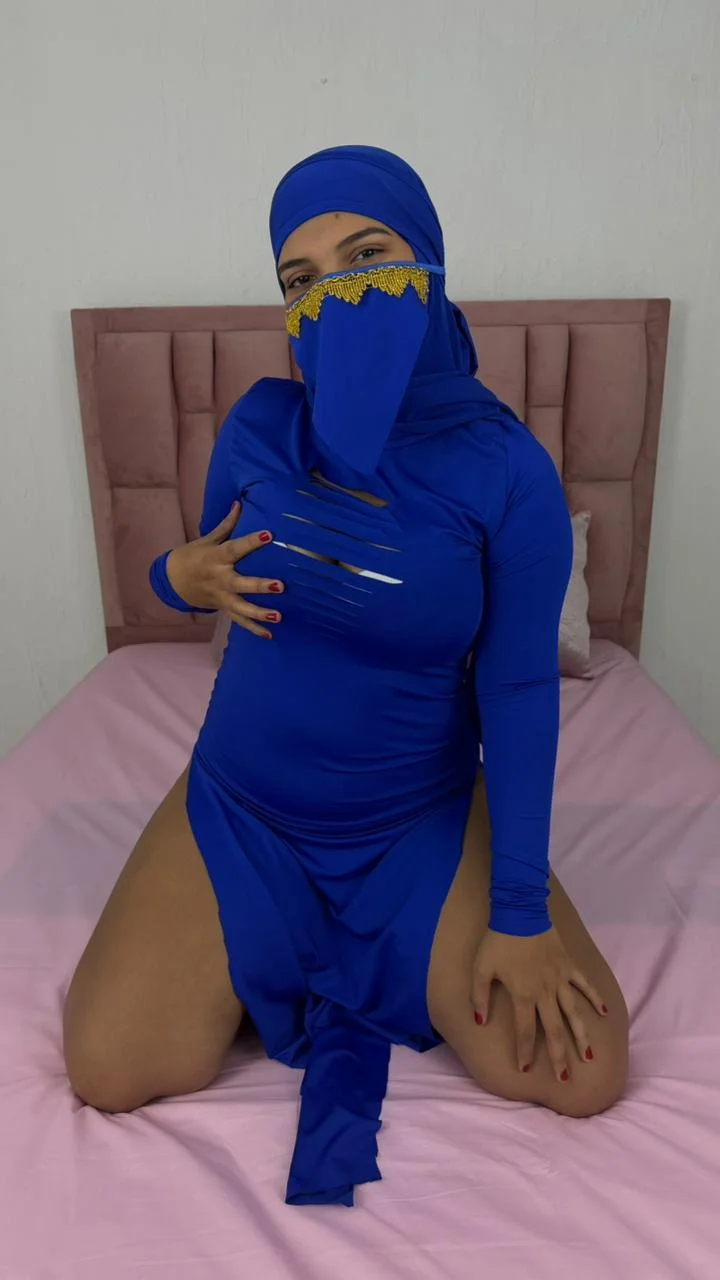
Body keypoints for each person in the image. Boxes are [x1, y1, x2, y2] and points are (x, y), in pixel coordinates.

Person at [63, 146, 629, 1206]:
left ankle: (362, 941)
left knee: (585, 1073)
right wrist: (173, 575)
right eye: (303, 277)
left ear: (431, 259)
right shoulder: (257, 428)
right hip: (247, 804)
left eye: (368, 255)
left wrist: (519, 911)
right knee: (110, 1066)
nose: (339, 294)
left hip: (413, 817)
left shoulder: (508, 471)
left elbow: (517, 690)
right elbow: (200, 571)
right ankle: (265, 933)